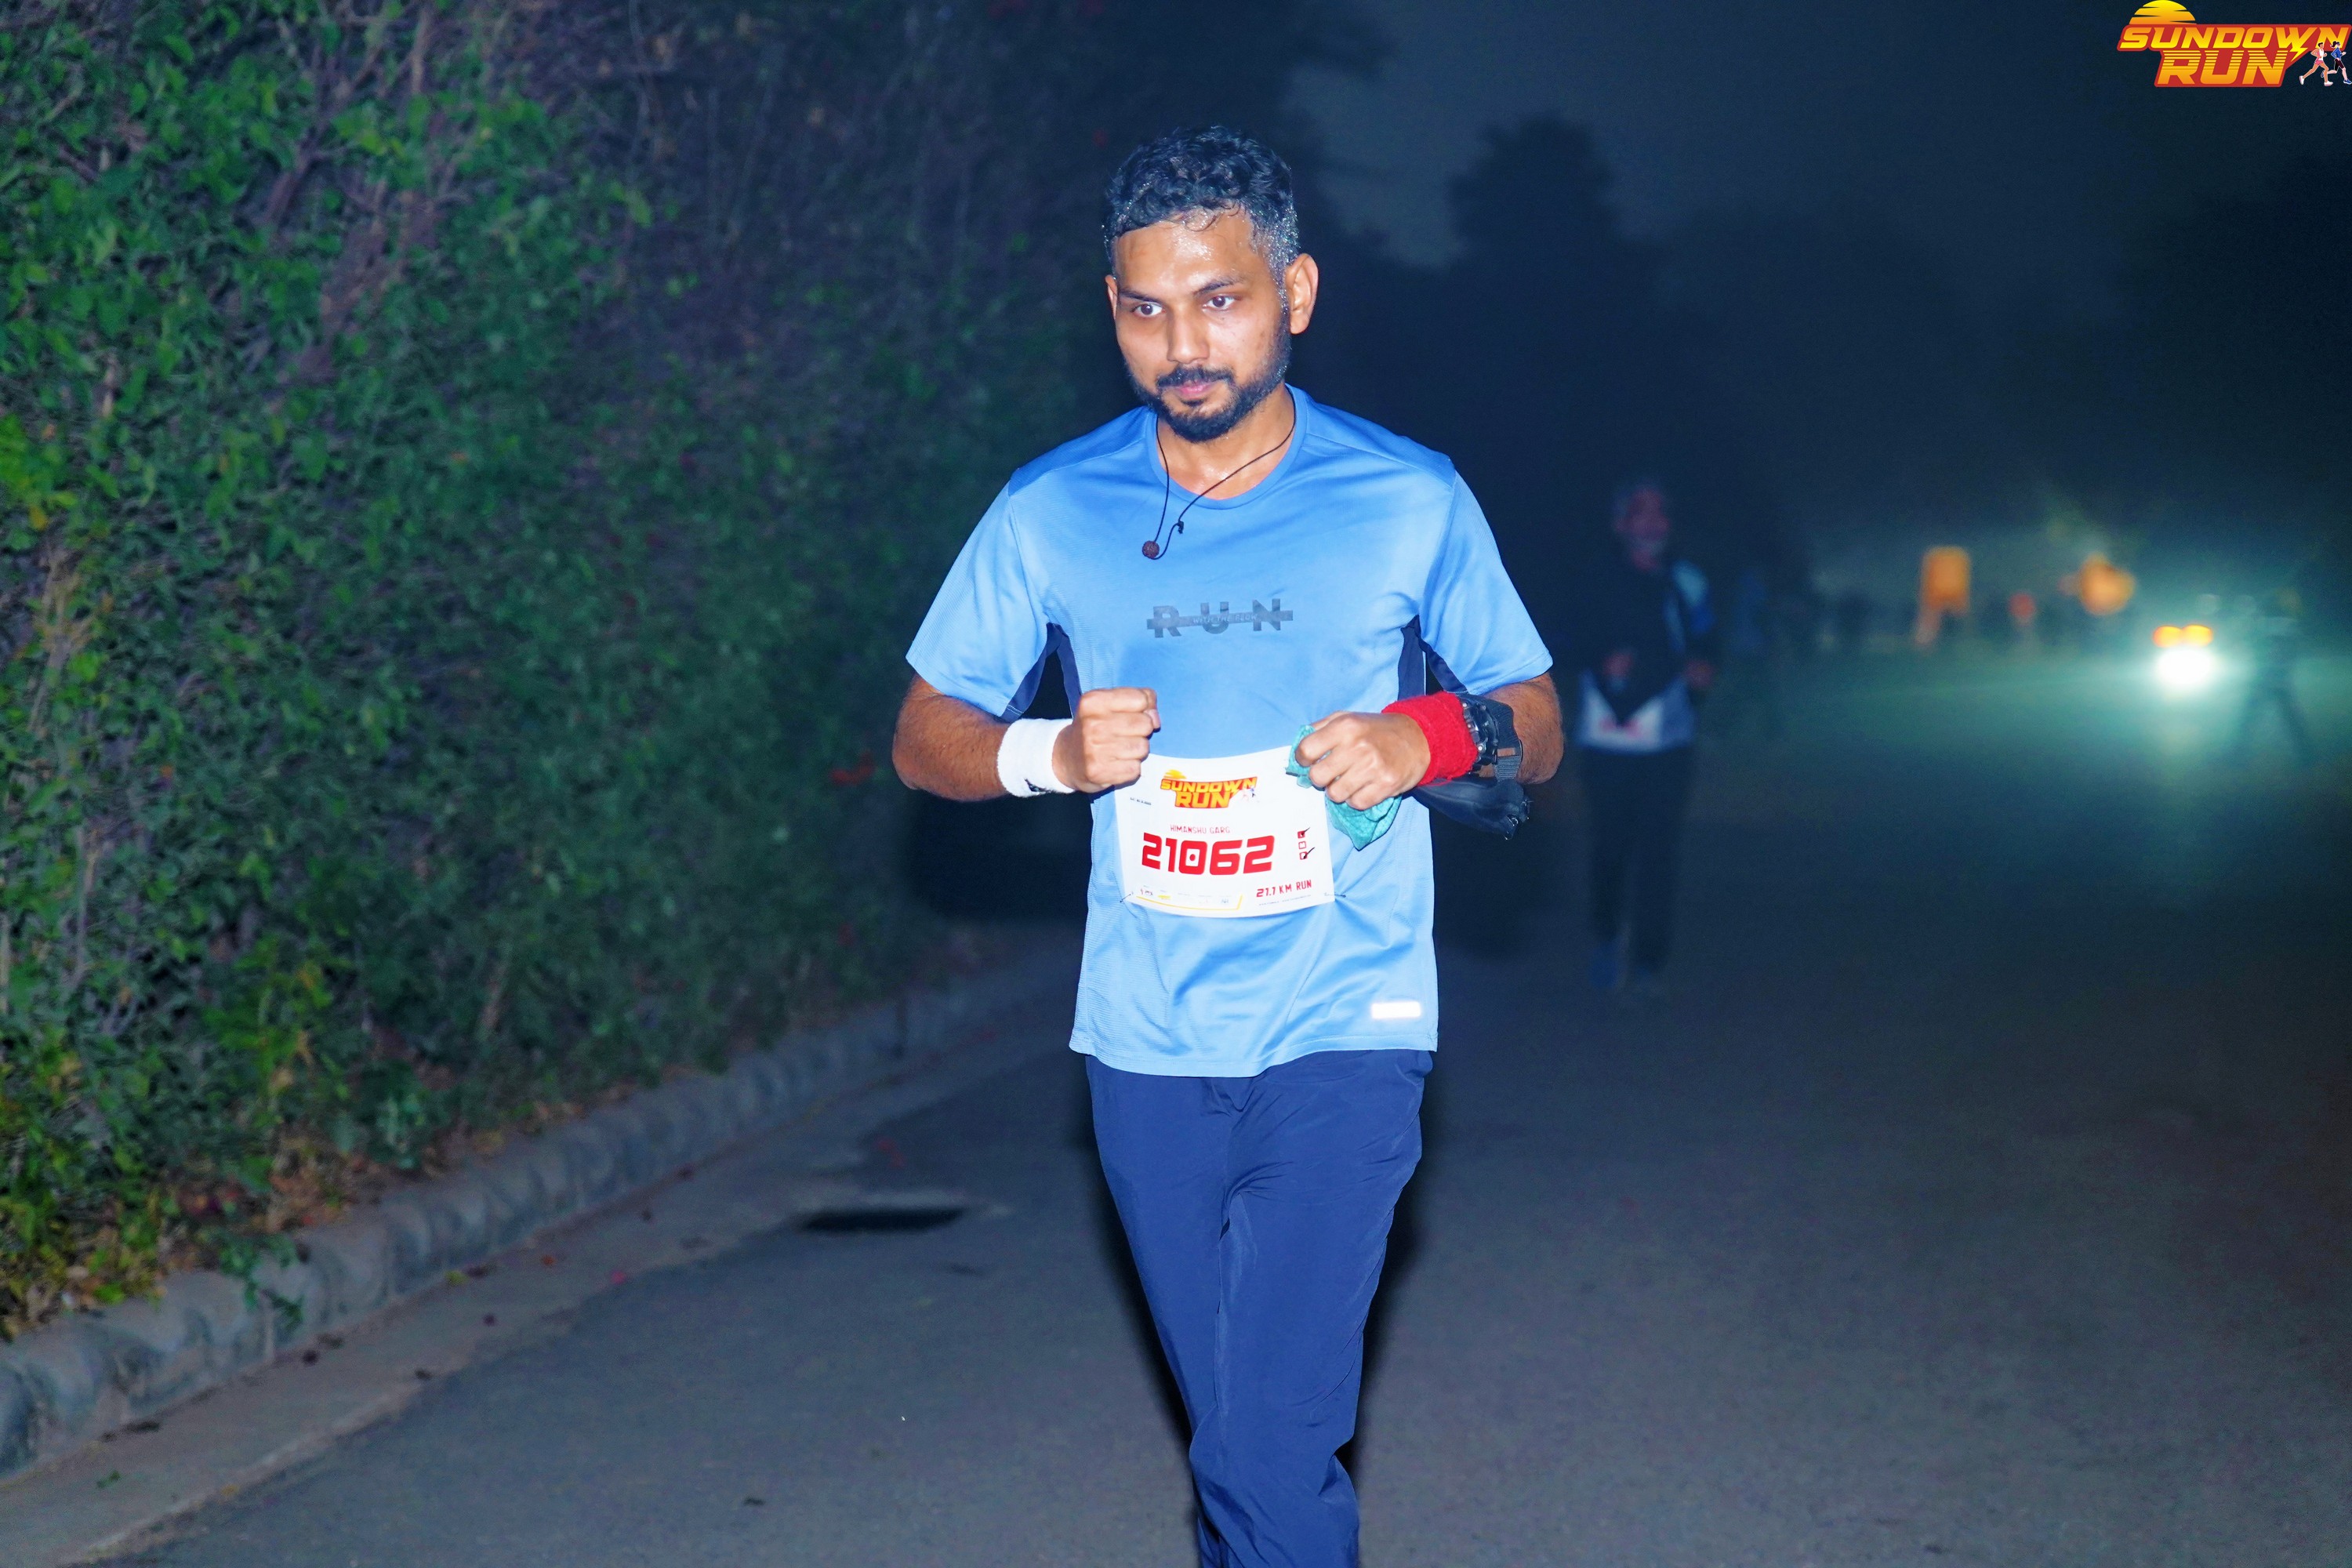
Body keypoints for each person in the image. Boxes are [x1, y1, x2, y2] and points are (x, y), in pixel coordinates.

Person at [891, 126, 1562, 1567]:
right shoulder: (1052, 507)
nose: (1183, 346)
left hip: (1346, 1019)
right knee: (1240, 1440)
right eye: (1146, 309)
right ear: (1112, 308)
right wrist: (1049, 754)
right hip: (1145, 1037)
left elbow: (1538, 719)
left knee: (1271, 1435)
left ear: (1294, 294)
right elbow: (924, 734)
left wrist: (1423, 738)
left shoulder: (1408, 494)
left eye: (1219, 301)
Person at [1565, 482, 1718, 995]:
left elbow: (1708, 639)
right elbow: (1564, 639)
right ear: (1620, 524)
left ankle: (1650, 960)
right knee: (1610, 847)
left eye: (1661, 514)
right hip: (1607, 737)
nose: (1652, 523)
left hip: (1670, 737)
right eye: (1640, 513)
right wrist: (1600, 658)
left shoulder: (1687, 581)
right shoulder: (1594, 580)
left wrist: (1704, 666)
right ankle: (1607, 938)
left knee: (1659, 850)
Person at [2231, 591, 2314, 764]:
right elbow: (2287, 650)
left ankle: (2237, 754)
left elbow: (2266, 648)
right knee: (2286, 717)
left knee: (2252, 716)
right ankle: (2307, 755)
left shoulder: (2272, 624)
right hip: (2276, 677)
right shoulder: (2287, 623)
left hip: (2269, 677)